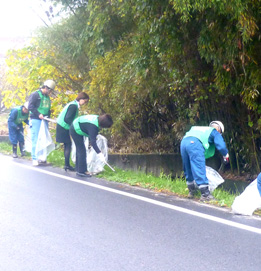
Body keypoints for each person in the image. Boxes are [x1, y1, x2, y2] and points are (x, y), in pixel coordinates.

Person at [180, 121, 229, 201]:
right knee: (199, 167)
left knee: (188, 167)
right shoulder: (213, 131)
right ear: (219, 129)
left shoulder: (199, 128)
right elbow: (221, 146)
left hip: (183, 143)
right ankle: (205, 194)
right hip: (194, 144)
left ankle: (191, 191)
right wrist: (226, 155)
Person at [56, 92, 89, 171]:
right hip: (63, 126)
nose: (84, 103)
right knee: (68, 145)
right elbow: (67, 119)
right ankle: (67, 165)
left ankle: (67, 164)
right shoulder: (73, 106)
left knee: (68, 145)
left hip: (63, 126)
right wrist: (74, 126)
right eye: (85, 101)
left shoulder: (73, 104)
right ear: (81, 99)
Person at [28, 79, 55, 166]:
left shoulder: (47, 97)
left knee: (43, 138)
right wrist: (38, 114)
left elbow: (47, 108)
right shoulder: (35, 95)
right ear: (46, 88)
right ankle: (34, 158)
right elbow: (30, 106)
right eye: (50, 90)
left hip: (44, 120)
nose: (50, 93)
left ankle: (42, 157)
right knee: (35, 139)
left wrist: (48, 116)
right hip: (36, 119)